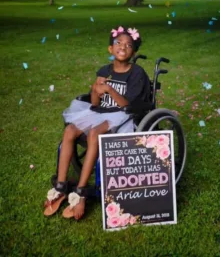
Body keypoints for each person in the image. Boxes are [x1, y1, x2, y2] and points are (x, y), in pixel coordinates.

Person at [44, 26, 151, 220]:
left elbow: (129, 105)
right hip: (99, 112)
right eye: (118, 43)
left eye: (128, 45)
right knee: (69, 130)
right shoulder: (104, 70)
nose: (123, 47)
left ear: (133, 52)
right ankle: (60, 186)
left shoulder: (137, 73)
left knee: (94, 133)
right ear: (110, 49)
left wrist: (109, 90)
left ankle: (81, 191)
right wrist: (95, 91)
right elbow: (94, 103)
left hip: (123, 114)